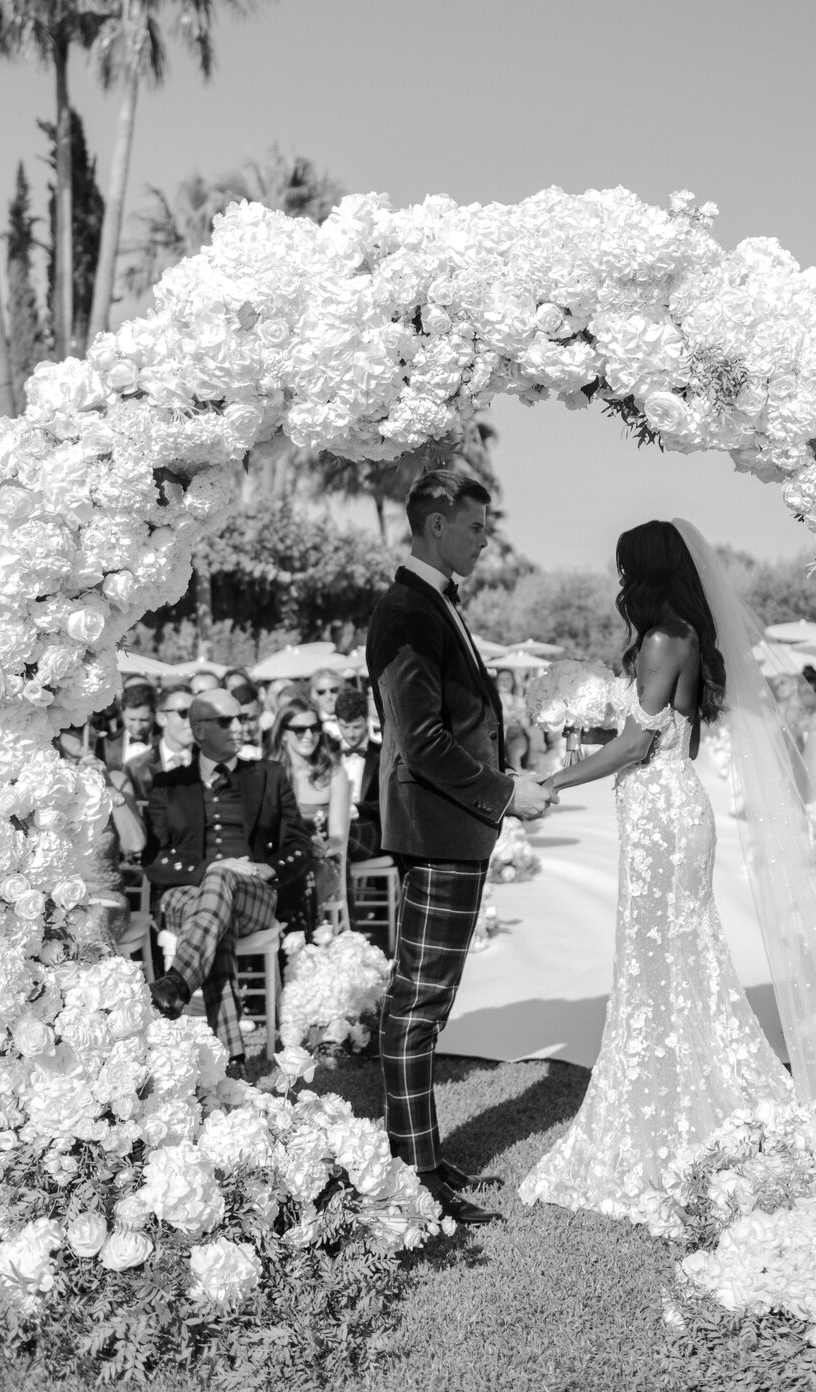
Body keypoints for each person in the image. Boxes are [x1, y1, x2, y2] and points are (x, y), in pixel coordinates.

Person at [519, 518, 816, 1237]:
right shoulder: (673, 638)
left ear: (643, 571)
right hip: (660, 809)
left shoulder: (667, 638)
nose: (616, 583)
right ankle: (676, 1095)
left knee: (668, 958)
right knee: (663, 960)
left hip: (663, 814)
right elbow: (670, 731)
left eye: (622, 570)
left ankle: (686, 1110)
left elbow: (641, 744)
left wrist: (557, 778)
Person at [365, 469, 549, 1226]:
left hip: (451, 831)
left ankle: (426, 1157)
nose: (485, 537)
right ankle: (413, 1177)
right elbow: (423, 742)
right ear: (437, 522)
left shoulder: (432, 603)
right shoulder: (407, 612)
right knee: (417, 1004)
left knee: (428, 1004)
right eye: (476, 526)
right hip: (438, 831)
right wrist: (506, 792)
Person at [144, 689, 314, 1073]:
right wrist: (213, 868)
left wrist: (267, 869)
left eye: (241, 718)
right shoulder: (169, 785)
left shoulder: (268, 775)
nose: (240, 726)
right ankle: (232, 1061)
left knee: (220, 889)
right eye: (227, 721)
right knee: (217, 905)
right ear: (200, 731)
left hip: (254, 894)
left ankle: (177, 983)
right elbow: (154, 861)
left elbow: (300, 846)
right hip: (187, 896)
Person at [269, 699, 351, 911]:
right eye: (299, 729)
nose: (309, 735)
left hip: (320, 860)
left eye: (315, 728)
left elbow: (339, 837)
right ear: (283, 733)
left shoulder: (334, 773)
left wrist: (323, 847)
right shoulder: (267, 773)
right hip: (277, 858)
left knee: (303, 875)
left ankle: (303, 940)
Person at [334, 684, 383, 860]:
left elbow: (389, 804)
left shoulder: (382, 755)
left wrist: (358, 808)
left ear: (366, 720)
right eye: (345, 727)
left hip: (370, 831)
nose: (351, 734)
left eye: (356, 727)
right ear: (337, 721)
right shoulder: (328, 755)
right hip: (333, 826)